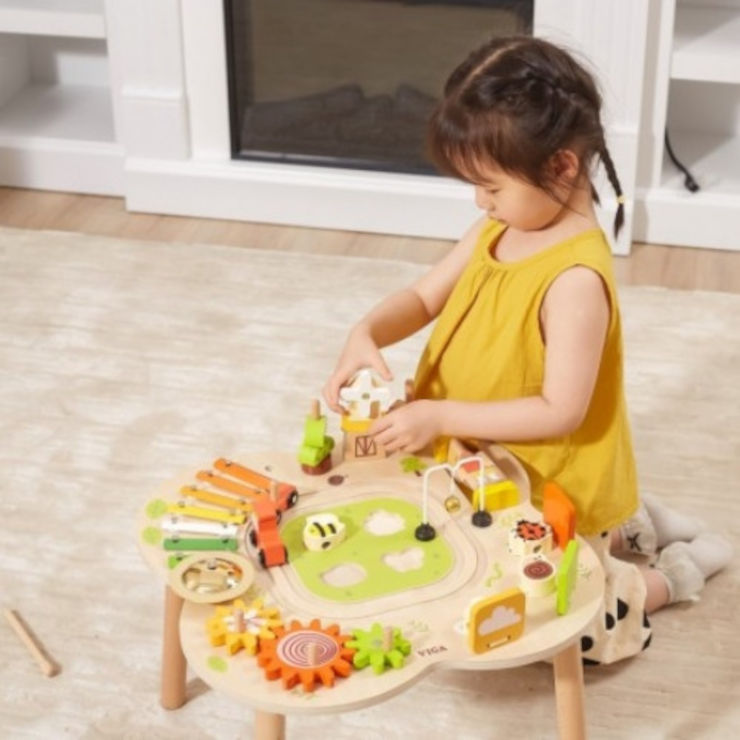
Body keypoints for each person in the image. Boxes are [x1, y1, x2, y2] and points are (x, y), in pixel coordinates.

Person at [323, 35, 731, 664]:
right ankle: (634, 521)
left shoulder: (574, 280)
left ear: (561, 167)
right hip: (478, 457)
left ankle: (672, 575)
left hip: (543, 478)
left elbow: (560, 411)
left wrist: (438, 415)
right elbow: (424, 297)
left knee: (551, 621)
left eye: (489, 187)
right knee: (431, 552)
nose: (479, 202)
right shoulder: (502, 223)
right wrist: (366, 332)